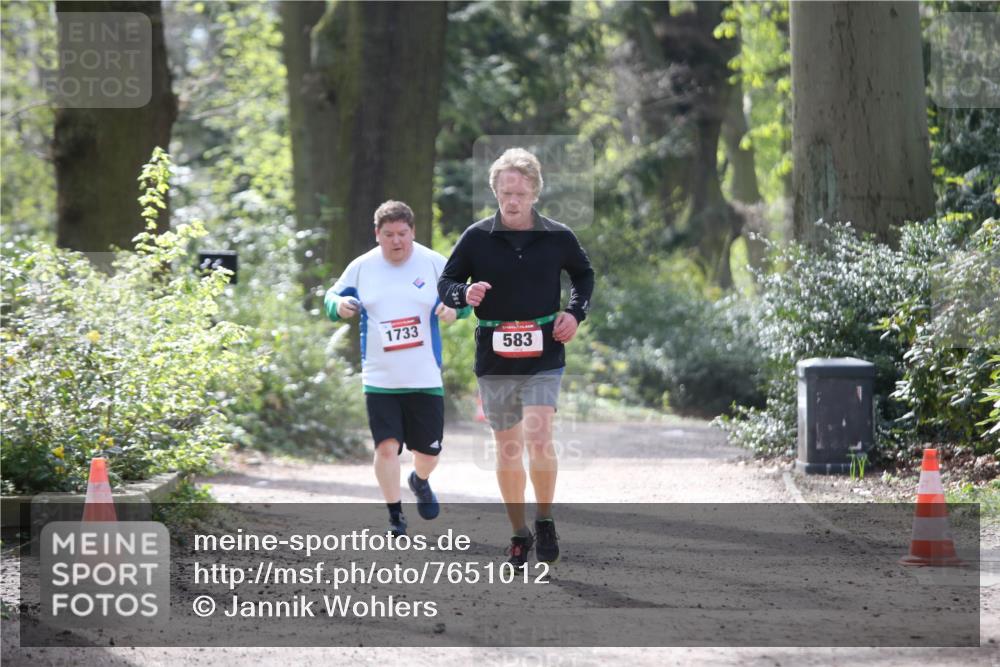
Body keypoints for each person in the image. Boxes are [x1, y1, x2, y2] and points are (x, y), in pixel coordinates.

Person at [438, 148, 595, 567]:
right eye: (506, 193)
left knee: (539, 437)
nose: (512, 201)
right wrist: (462, 295)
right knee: (507, 449)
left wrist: (575, 313)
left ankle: (544, 519)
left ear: (535, 194)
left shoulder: (558, 237)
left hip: (545, 349)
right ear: (496, 192)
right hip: (495, 354)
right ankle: (518, 530)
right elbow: (448, 280)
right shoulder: (476, 238)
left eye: (520, 194)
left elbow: (583, 274)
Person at [325, 200, 471, 536]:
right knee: (386, 447)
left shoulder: (433, 263)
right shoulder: (362, 267)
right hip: (380, 379)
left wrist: (453, 310)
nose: (396, 241)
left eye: (402, 234)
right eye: (388, 234)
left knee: (428, 452)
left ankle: (419, 480)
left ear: (412, 232)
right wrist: (340, 306)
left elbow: (461, 297)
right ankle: (395, 515)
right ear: (377, 234)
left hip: (424, 377)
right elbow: (331, 298)